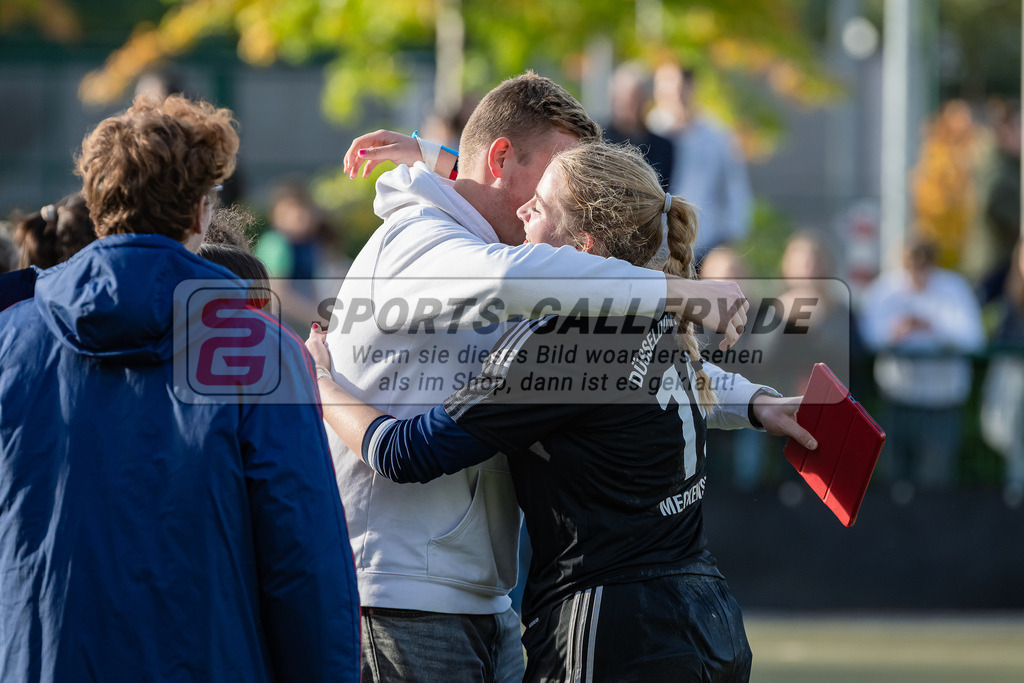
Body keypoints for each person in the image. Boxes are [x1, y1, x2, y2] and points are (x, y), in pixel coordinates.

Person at [329, 71, 802, 682]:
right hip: (405, 590)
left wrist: (755, 400)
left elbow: (627, 361)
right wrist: (679, 291)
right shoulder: (425, 239)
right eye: (549, 170)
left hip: (493, 594)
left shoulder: (571, 305)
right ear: (500, 159)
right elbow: (508, 275)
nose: (532, 205)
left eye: (554, 191)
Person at [0, 94, 360, 681]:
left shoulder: (10, 339)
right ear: (200, 214)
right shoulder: (260, 350)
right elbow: (303, 557)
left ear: (96, 210)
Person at [859, 238, 985, 497]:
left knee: (934, 488)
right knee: (895, 487)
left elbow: (973, 338)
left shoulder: (953, 288)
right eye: (911, 262)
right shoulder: (886, 290)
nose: (917, 269)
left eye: (923, 261)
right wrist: (896, 331)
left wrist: (933, 327)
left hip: (942, 406)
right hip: (897, 402)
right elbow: (868, 335)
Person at [646, 62, 753, 262]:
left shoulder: (716, 137)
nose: (674, 96)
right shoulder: (645, 134)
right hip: (655, 250)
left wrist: (729, 238)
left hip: (704, 247)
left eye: (679, 89)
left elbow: (734, 190)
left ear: (690, 88)